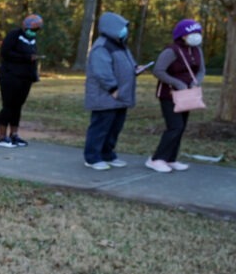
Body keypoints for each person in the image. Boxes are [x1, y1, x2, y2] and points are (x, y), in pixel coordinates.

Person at [83, 12, 144, 170]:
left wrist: (135, 68)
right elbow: (101, 71)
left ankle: (107, 154)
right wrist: (113, 88)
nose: (125, 30)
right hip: (106, 96)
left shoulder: (121, 45)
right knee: (101, 127)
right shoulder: (101, 46)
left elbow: (125, 64)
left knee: (114, 128)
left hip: (119, 96)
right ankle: (92, 158)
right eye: (122, 27)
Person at [146, 19, 206, 173]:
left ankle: (170, 159)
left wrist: (195, 81)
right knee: (175, 126)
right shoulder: (171, 51)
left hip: (188, 94)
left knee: (181, 127)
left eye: (198, 33)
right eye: (192, 33)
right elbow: (158, 71)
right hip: (169, 95)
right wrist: (177, 83)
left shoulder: (197, 50)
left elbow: (201, 70)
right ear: (183, 35)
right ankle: (156, 159)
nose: (196, 36)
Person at [0, 14, 43, 147]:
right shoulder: (14, 35)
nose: (34, 32)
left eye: (36, 29)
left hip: (25, 78)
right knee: (8, 105)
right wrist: (26, 57)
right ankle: (1, 136)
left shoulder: (32, 40)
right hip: (10, 76)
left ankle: (14, 134)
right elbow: (6, 53)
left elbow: (32, 57)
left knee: (18, 106)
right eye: (32, 28)